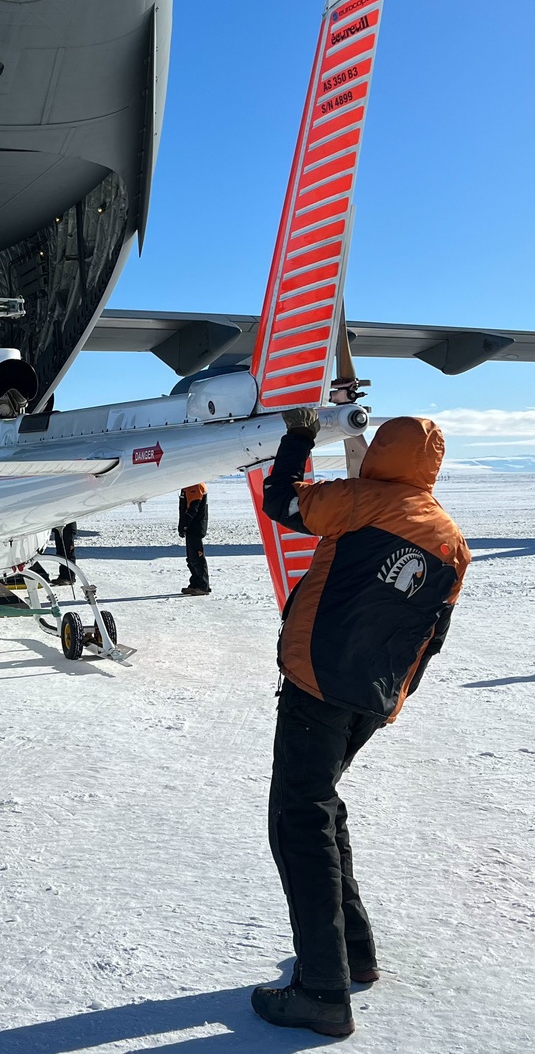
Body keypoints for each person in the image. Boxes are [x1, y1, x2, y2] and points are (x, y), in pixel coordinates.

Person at [250, 410, 470, 1039]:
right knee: (320, 807)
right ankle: (353, 955)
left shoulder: (362, 501)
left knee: (299, 821)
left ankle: (322, 988)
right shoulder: (450, 539)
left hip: (316, 681)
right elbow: (434, 636)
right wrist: (389, 696)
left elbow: (283, 504)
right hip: (368, 699)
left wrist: (297, 439)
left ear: (382, 453)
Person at [178, 484, 210, 594]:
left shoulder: (195, 485)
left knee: (197, 558)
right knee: (191, 559)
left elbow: (193, 508)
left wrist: (185, 525)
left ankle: (202, 586)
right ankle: (195, 583)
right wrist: (182, 525)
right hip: (191, 528)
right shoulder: (188, 485)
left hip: (195, 527)